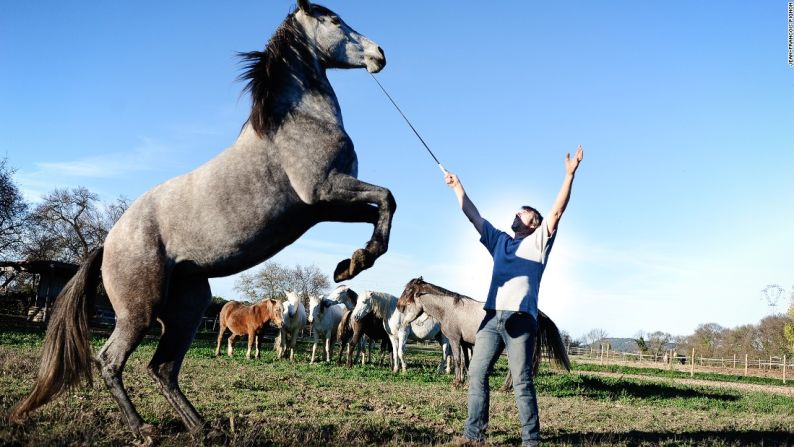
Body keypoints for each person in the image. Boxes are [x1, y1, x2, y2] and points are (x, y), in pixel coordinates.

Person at [446, 145, 583, 446]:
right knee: (476, 374)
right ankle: (473, 435)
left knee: (521, 383)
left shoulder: (539, 243)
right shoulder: (500, 241)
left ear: (533, 223)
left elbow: (557, 211)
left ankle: (530, 441)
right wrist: (458, 187)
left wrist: (569, 176)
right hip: (492, 318)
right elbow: (473, 216)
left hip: (521, 321)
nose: (516, 213)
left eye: (523, 212)